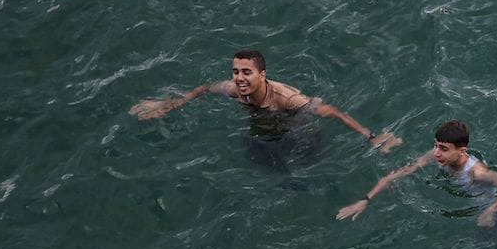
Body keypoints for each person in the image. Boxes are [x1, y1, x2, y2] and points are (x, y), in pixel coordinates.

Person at [129, 49, 401, 161]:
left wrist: (371, 136)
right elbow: (203, 89)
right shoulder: (234, 89)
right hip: (264, 127)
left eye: (246, 72)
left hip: (299, 130)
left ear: (262, 75)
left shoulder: (286, 98)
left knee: (303, 160)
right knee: (257, 155)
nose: (239, 78)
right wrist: (169, 104)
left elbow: (332, 112)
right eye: (236, 72)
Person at [336, 120, 497, 227]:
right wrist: (365, 199)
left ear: (462, 151)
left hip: (495, 213)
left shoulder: (477, 173)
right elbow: (397, 174)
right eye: (435, 145)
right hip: (472, 209)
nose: (436, 152)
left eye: (443, 148)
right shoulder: (435, 156)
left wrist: (490, 212)